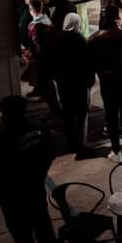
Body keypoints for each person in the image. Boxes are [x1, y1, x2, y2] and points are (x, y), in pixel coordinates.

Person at [0, 95, 65, 243]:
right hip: (35, 186)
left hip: (12, 193)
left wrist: (0, 191)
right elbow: (51, 153)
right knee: (41, 220)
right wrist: (39, 173)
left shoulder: (2, 140)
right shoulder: (40, 129)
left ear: (5, 114)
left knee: (20, 229)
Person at [87, 6, 122, 161]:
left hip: (107, 83)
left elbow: (90, 62)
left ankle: (116, 151)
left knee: (111, 115)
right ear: (115, 18)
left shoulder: (93, 39)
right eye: (120, 15)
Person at [48, 12, 92, 157]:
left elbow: (52, 63)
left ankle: (72, 143)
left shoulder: (56, 39)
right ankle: (82, 145)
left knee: (68, 113)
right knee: (81, 114)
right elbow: (87, 62)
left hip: (63, 82)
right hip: (79, 82)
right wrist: (90, 79)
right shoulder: (79, 39)